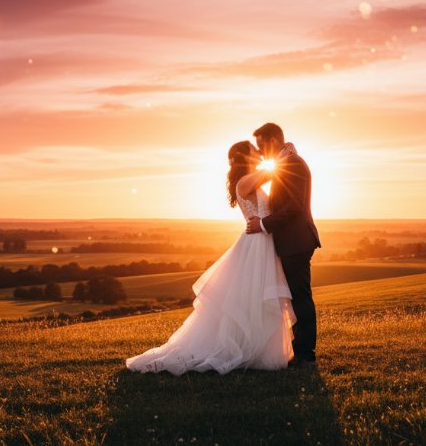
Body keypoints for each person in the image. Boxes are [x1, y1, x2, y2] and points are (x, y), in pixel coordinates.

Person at [125, 139, 298, 375]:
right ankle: (242, 348)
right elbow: (271, 172)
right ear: (244, 158)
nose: (259, 154)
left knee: (255, 298)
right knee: (251, 297)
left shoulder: (249, 179)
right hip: (256, 245)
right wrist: (286, 155)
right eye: (254, 151)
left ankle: (259, 349)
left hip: (262, 241)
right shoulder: (245, 181)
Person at [246, 122, 322, 368]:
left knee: (300, 297)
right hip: (292, 241)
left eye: (261, 146)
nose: (261, 151)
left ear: (272, 141)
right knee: (295, 297)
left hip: (296, 241)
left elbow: (294, 207)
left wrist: (263, 224)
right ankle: (299, 350)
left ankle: (305, 355)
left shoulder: (292, 163)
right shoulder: (285, 161)